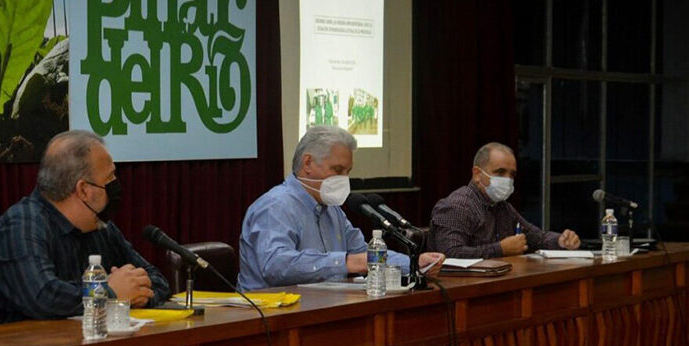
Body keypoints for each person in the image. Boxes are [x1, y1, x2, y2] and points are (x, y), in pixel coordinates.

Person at [0, 130, 170, 328]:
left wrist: (138, 293)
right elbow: (44, 297)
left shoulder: (100, 226)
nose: (116, 185)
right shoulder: (21, 226)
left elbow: (156, 279)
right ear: (84, 190)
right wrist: (110, 292)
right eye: (110, 179)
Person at [237, 125, 444, 291]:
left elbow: (364, 254)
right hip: (270, 322)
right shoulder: (275, 206)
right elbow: (275, 265)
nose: (344, 179)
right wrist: (344, 262)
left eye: (347, 172)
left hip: (322, 311)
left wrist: (415, 263)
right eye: (337, 170)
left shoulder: (332, 210)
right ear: (308, 163)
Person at [428, 142, 581, 259]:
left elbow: (537, 238)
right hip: (459, 290)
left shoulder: (502, 207)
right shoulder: (458, 205)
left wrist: (561, 240)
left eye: (512, 174)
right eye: (500, 172)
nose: (507, 180)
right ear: (477, 174)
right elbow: (448, 254)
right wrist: (500, 249)